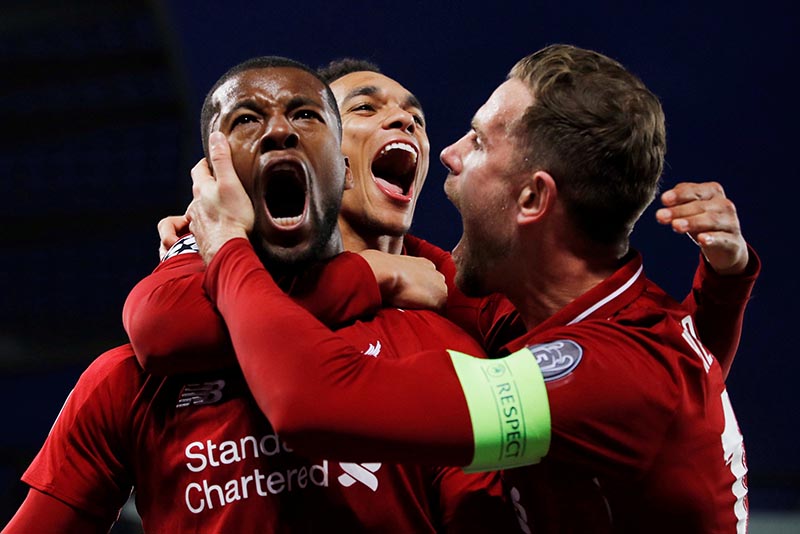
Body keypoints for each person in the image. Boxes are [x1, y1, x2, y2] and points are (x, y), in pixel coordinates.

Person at [180, 45, 755, 533]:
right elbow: (161, 324)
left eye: (478, 143)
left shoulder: (602, 375)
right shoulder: (560, 314)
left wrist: (226, 243)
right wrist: (728, 280)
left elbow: (311, 404)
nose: (449, 154)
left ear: (532, 199)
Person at [3, 56, 516, 533]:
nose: (279, 131)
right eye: (247, 119)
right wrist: (365, 272)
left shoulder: (444, 343)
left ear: (339, 168)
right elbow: (159, 322)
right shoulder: (131, 381)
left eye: (306, 116)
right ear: (211, 177)